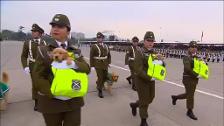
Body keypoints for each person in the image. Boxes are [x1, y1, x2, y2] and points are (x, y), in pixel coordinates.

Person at [33, 14, 90, 126]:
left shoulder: (75, 51)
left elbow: (86, 69)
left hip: (73, 100)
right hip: (51, 102)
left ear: (68, 31)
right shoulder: (43, 50)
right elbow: (37, 76)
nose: (55, 28)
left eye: (60, 26)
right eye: (53, 26)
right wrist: (53, 93)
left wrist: (73, 63)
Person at [129, 31, 165, 126]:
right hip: (141, 80)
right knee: (144, 100)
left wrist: (162, 61)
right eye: (148, 40)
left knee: (151, 97)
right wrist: (150, 77)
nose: (150, 43)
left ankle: (134, 105)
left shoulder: (155, 53)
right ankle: (143, 120)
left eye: (152, 41)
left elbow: (160, 66)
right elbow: (138, 69)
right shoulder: (139, 52)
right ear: (144, 41)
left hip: (151, 80)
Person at [171, 41, 201, 120]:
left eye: (195, 47)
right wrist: (196, 74)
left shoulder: (196, 57)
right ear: (189, 48)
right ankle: (189, 111)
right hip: (188, 78)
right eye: (192, 47)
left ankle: (175, 97)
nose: (194, 48)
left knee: (188, 94)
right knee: (190, 95)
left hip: (194, 79)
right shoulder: (186, 57)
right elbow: (187, 69)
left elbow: (199, 66)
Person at [21, 23, 46, 111]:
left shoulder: (45, 43)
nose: (33, 33)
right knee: (35, 84)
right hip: (33, 66)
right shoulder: (27, 43)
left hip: (43, 66)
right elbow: (23, 56)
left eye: (35, 31)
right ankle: (37, 102)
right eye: (32, 31)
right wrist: (25, 66)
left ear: (40, 33)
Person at [89, 32, 111, 98]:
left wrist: (108, 62)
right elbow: (91, 56)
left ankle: (98, 83)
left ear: (103, 39)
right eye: (98, 38)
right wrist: (92, 65)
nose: (99, 39)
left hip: (105, 64)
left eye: (100, 38)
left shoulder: (106, 46)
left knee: (105, 76)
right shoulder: (94, 46)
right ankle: (100, 90)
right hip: (97, 64)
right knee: (100, 77)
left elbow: (109, 55)